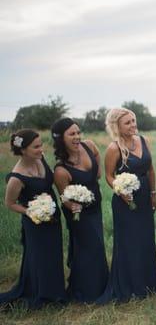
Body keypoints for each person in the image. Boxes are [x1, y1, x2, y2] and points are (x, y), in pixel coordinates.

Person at [97, 108, 156, 303]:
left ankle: (149, 284)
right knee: (129, 242)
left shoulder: (143, 140)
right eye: (128, 122)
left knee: (145, 239)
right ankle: (129, 285)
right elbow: (109, 175)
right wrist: (120, 191)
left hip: (144, 197)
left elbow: (150, 170)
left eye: (133, 120)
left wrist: (153, 193)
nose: (133, 125)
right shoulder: (113, 148)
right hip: (125, 201)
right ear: (117, 126)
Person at [2, 129, 67, 308]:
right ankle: (43, 295)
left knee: (54, 255)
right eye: (36, 146)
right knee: (40, 258)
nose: (41, 149)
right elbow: (10, 203)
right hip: (35, 222)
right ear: (23, 150)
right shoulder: (16, 177)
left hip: (53, 218)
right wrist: (31, 212)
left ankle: (56, 291)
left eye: (41, 145)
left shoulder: (41, 159)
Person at [52, 118, 108, 303]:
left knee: (98, 245)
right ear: (61, 138)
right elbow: (64, 197)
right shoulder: (61, 170)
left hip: (95, 207)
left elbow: (98, 172)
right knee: (89, 247)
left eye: (78, 132)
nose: (77, 137)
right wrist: (72, 205)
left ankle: (101, 285)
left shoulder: (89, 146)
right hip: (78, 213)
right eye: (72, 134)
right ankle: (86, 291)